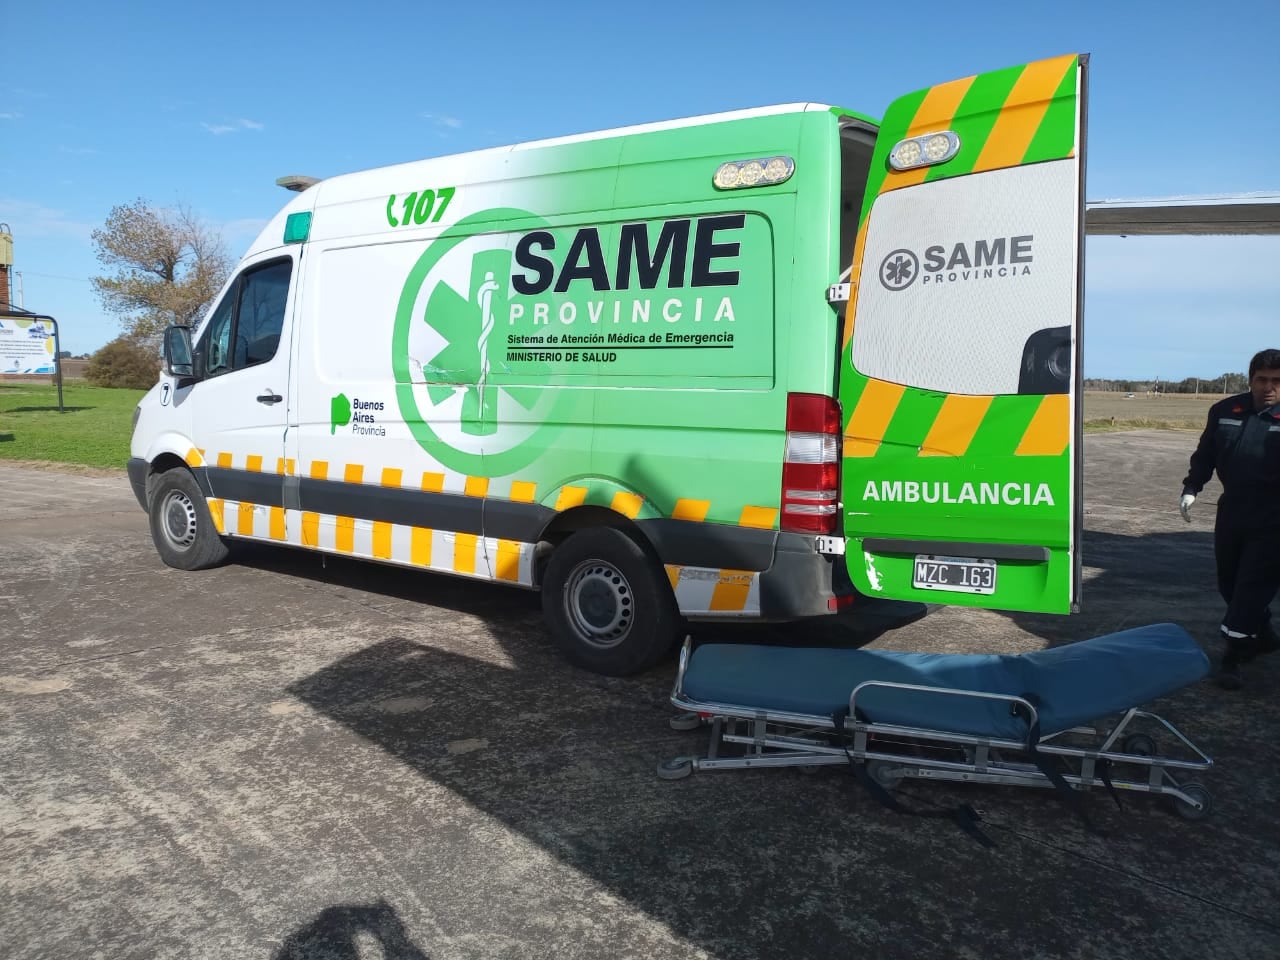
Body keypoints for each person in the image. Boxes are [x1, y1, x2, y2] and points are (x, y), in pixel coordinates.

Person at [1181, 348, 1280, 689]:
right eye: (1262, 379)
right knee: (1230, 581)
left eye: (1277, 381)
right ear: (1250, 379)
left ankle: (1234, 655)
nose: (1269, 387)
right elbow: (1206, 453)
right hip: (1233, 510)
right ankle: (1264, 633)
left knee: (1252, 585)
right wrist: (1192, 486)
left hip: (1274, 516)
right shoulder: (1225, 410)